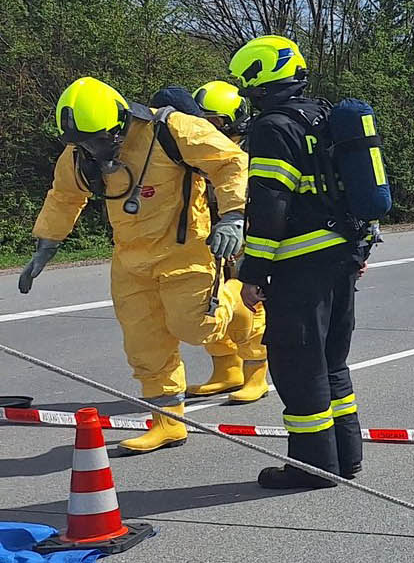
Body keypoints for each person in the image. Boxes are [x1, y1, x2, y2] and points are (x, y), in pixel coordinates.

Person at [19, 77, 258, 452]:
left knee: (197, 327)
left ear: (119, 120)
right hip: (130, 259)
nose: (94, 149)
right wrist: (46, 244)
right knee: (144, 343)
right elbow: (65, 195)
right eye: (84, 143)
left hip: (185, 251)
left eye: (99, 140)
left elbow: (229, 161)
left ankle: (239, 303)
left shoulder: (170, 129)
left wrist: (232, 217)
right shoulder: (81, 153)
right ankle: (168, 423)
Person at [229, 36, 366, 490]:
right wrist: (359, 250)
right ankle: (345, 457)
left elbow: (270, 204)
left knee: (298, 367)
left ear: (262, 81)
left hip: (300, 265)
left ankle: (312, 468)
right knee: (332, 362)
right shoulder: (323, 116)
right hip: (341, 256)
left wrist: (252, 272)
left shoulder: (273, 128)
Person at [183, 80, 269, 403]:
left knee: (249, 304)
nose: (207, 128)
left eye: (215, 121)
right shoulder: (195, 151)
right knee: (210, 303)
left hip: (246, 239)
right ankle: (225, 370)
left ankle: (256, 374)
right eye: (202, 121)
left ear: (235, 120)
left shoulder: (250, 153)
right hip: (209, 238)